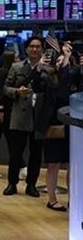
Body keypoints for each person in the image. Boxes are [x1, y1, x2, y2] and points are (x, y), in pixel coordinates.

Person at [3, 36, 49, 197]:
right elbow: (6, 88)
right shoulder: (16, 67)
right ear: (27, 48)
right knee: (16, 152)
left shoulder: (48, 68)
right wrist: (17, 91)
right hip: (20, 114)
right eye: (32, 46)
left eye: (38, 47)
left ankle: (31, 184)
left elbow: (53, 86)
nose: (35, 49)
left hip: (39, 115)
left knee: (36, 154)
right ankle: (12, 183)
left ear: (42, 49)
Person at [35, 40, 74, 211]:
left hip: (72, 125)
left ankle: (73, 198)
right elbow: (36, 86)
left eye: (62, 60)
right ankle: (52, 199)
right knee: (53, 164)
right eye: (58, 60)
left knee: (72, 165)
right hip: (53, 125)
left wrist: (67, 60)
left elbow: (66, 87)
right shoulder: (47, 78)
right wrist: (38, 68)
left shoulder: (72, 76)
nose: (59, 62)